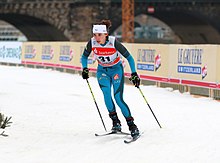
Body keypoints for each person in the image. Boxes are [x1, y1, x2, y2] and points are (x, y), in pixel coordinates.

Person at [81, 19, 140, 138]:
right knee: (106, 95)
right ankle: (115, 122)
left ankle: (132, 125)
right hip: (102, 71)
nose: (97, 37)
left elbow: (130, 58)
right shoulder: (92, 43)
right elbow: (84, 57)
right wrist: (85, 68)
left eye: (99, 35)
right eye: (94, 35)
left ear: (105, 34)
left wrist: (134, 73)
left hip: (116, 70)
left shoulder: (113, 42)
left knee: (118, 98)